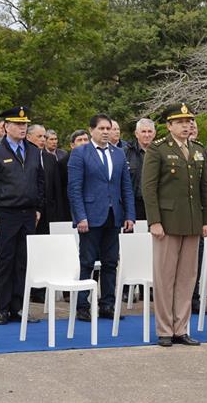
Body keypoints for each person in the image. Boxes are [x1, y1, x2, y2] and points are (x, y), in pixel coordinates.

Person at [142, 103, 207, 347]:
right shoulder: (158, 149)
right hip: (168, 222)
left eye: (189, 121)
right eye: (181, 122)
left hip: (192, 221)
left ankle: (181, 328)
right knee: (164, 278)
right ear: (169, 125)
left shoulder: (198, 149)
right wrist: (155, 221)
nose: (187, 125)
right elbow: (149, 188)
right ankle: (164, 329)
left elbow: (205, 188)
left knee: (186, 278)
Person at [67, 113, 136, 321]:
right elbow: (74, 188)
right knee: (87, 262)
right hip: (89, 216)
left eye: (108, 128)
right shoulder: (80, 153)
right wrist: (80, 216)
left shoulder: (118, 154)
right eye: (101, 129)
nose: (106, 132)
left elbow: (126, 187)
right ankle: (82, 305)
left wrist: (130, 215)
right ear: (92, 130)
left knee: (110, 262)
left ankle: (107, 304)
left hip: (113, 215)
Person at [0, 106, 44, 325]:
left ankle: (19, 307)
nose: (22, 128)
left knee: (23, 261)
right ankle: (4, 308)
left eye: (25, 124)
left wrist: (38, 208)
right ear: (6, 126)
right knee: (6, 260)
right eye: (18, 124)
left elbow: (39, 181)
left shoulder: (34, 150)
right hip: (6, 214)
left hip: (28, 214)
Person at [26, 124, 63, 240]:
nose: (43, 140)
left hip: (49, 213)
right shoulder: (23, 158)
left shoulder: (50, 158)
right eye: (39, 136)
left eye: (44, 137)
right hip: (31, 211)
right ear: (28, 137)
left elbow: (57, 188)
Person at [124, 118, 156, 220]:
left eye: (150, 131)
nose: (147, 135)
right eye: (143, 131)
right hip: (133, 205)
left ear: (154, 134)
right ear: (136, 134)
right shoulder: (125, 153)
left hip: (156, 205)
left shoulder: (161, 153)